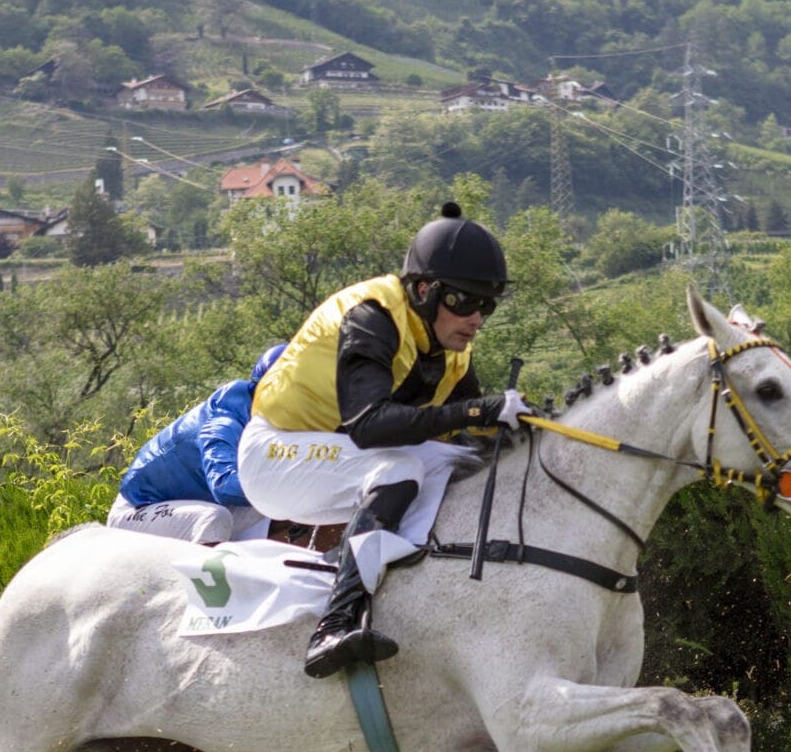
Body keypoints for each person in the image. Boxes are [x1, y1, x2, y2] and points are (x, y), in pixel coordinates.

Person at [237, 201, 532, 678]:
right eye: (465, 302)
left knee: (459, 460)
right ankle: (333, 626)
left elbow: (471, 431)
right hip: (276, 454)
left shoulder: (450, 347)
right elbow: (370, 425)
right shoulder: (371, 317)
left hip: (333, 453)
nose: (477, 319)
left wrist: (524, 424)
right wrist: (481, 408)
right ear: (423, 291)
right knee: (400, 469)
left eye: (487, 306)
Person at [108, 342, 287, 544]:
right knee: (214, 518)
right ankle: (204, 576)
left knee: (284, 509)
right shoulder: (224, 421)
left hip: (196, 503)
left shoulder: (274, 416)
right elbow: (224, 485)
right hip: (138, 510)